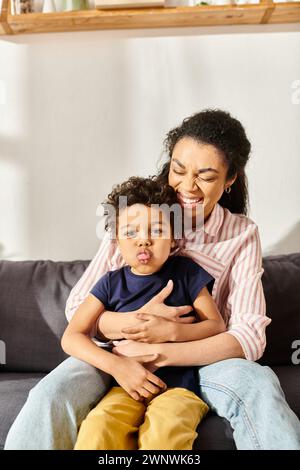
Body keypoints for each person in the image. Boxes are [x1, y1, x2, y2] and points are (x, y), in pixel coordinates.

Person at [5, 109, 300, 450]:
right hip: (119, 354)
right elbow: (77, 309)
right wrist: (134, 330)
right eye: (178, 169)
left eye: (205, 176)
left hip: (202, 362)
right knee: (50, 394)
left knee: (259, 385)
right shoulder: (137, 214)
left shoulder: (241, 234)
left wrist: (164, 343)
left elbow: (248, 336)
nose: (187, 186)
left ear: (230, 178)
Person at [62, 176, 225, 450]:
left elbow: (216, 326)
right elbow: (71, 336)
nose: (144, 241)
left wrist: (176, 331)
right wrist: (116, 365)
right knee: (97, 429)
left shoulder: (186, 273)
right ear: (116, 241)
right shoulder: (110, 283)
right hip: (124, 385)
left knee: (163, 437)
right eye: (131, 232)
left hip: (178, 390)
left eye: (157, 230)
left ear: (173, 237)